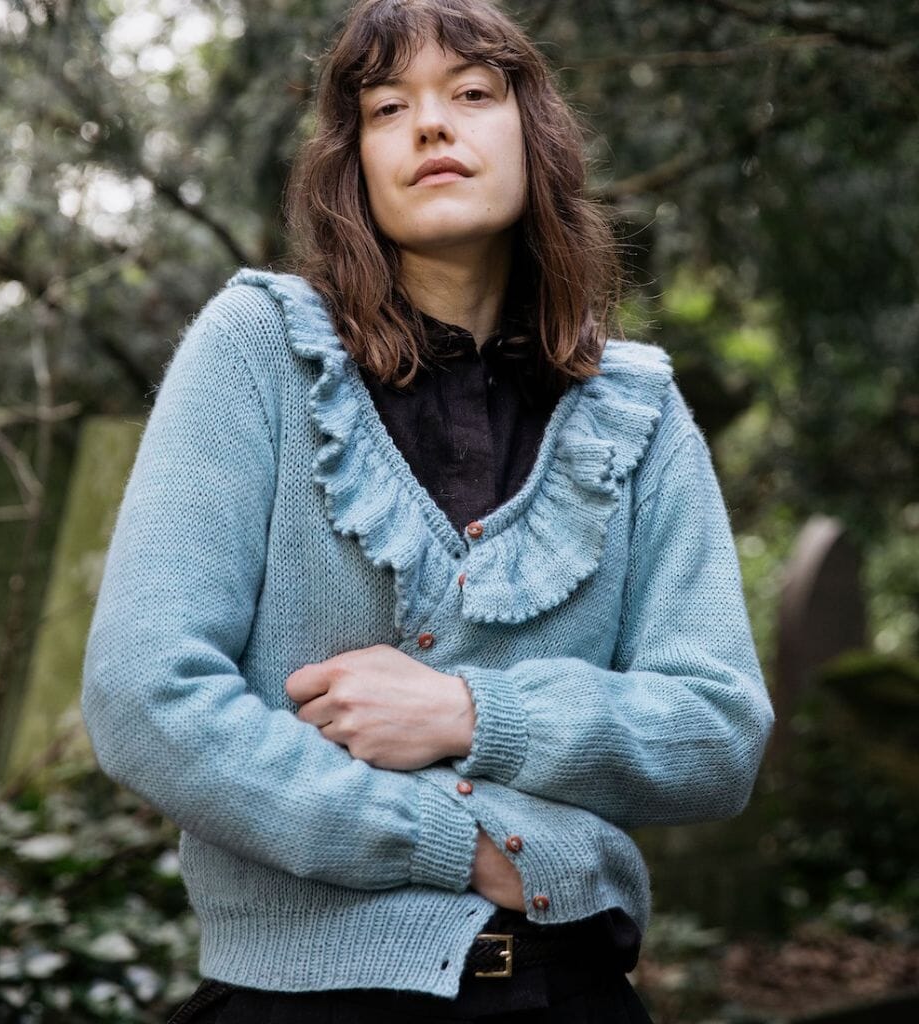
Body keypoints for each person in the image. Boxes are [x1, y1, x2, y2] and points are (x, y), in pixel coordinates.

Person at [81, 0, 775, 1020]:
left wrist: (471, 716)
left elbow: (714, 731)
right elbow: (146, 694)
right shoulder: (256, 353)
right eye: (387, 106)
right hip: (304, 1002)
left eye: (471, 94)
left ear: (534, 135)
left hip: (572, 995)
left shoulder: (636, 411)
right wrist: (457, 845)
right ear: (352, 161)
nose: (430, 125)